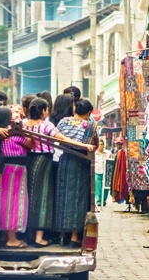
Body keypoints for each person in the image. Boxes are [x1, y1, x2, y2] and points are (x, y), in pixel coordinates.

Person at [24, 98, 93, 247]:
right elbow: (63, 139)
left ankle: (42, 235)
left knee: (35, 197)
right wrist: (84, 146)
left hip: (35, 161)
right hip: (68, 162)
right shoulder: (89, 125)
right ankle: (65, 237)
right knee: (46, 198)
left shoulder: (27, 124)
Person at [54, 98, 98, 246]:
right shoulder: (90, 125)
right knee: (78, 199)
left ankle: (62, 235)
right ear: (88, 113)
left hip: (65, 161)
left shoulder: (63, 121)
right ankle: (74, 237)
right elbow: (94, 144)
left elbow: (58, 139)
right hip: (81, 163)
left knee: (62, 197)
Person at [0, 106, 31, 248]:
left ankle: (5, 235)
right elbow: (29, 144)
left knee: (4, 202)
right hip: (16, 169)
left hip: (4, 168)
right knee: (14, 203)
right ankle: (12, 239)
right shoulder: (14, 133)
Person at [94, 139, 110, 208]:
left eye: (101, 144)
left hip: (106, 172)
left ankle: (104, 200)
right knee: (98, 186)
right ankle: (99, 201)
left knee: (106, 187)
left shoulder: (108, 153)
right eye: (99, 144)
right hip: (97, 171)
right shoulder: (94, 153)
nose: (100, 146)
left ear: (103, 145)